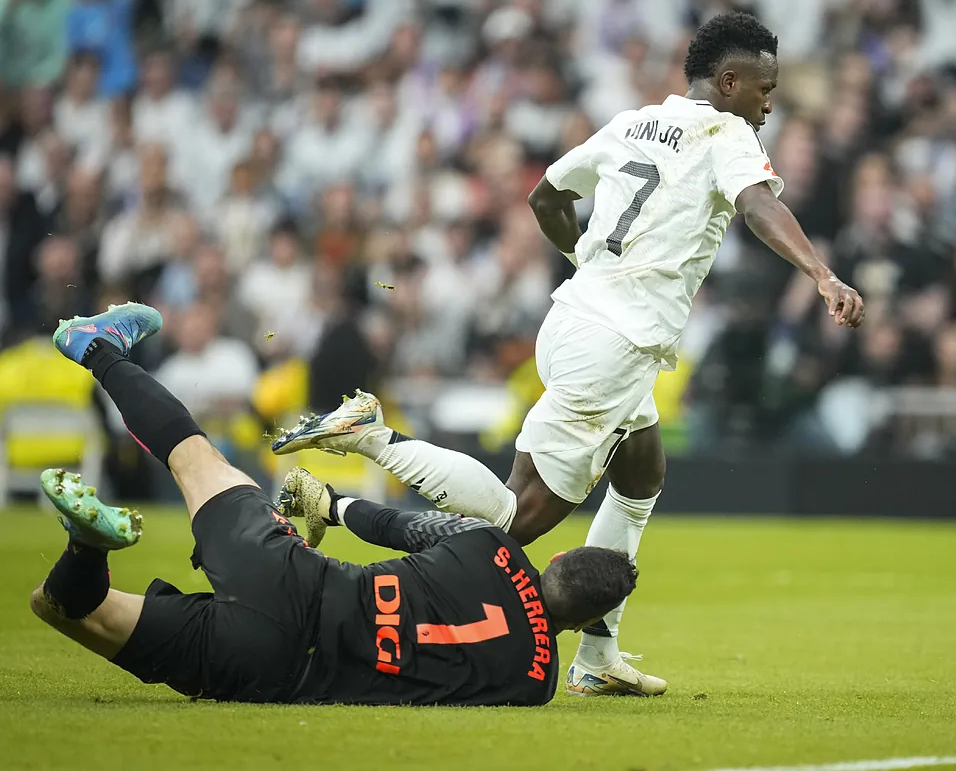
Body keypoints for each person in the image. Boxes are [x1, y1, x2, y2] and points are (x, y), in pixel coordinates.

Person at [272, 12, 865, 697]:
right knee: (504, 527)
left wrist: (584, 259)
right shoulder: (726, 133)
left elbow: (545, 196)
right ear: (730, 82)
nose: (770, 102)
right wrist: (821, 275)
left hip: (576, 319)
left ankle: (598, 654)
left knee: (641, 472)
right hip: (614, 346)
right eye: (765, 87)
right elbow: (759, 204)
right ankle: (370, 447)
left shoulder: (635, 122)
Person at [28, 303, 638, 707]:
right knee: (69, 611)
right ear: (583, 624)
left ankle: (100, 350)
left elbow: (396, 525)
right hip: (277, 671)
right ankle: (85, 549)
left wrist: (333, 503)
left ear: (558, 556)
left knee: (195, 460)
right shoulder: (535, 683)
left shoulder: (491, 547)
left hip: (296, 577)